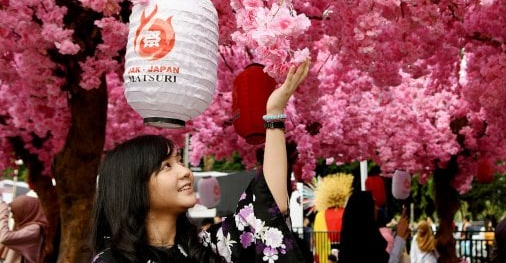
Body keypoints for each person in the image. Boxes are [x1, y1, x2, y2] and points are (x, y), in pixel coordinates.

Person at [89, 60, 310, 262]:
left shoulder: (208, 247)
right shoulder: (113, 260)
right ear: (134, 186)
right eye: (167, 166)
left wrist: (274, 114)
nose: (185, 172)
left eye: (179, 161)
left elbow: (267, 205)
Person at [338, 190, 410, 263]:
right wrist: (399, 239)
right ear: (364, 211)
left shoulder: (353, 242)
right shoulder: (360, 246)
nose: (377, 208)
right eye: (373, 204)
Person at [0, 195, 49, 263]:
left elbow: (5, 238)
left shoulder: (34, 229)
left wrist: (3, 214)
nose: (12, 217)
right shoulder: (23, 225)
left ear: (24, 211)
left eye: (14, 212)